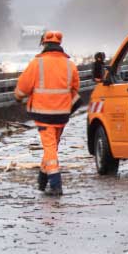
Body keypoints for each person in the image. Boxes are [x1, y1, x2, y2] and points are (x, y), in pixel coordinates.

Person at [13, 30, 80, 196]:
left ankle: (56, 183)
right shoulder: (69, 64)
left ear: (44, 44)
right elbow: (75, 87)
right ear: (59, 44)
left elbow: (23, 87)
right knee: (52, 146)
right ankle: (42, 180)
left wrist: (18, 97)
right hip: (62, 113)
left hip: (43, 113)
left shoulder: (37, 63)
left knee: (49, 147)